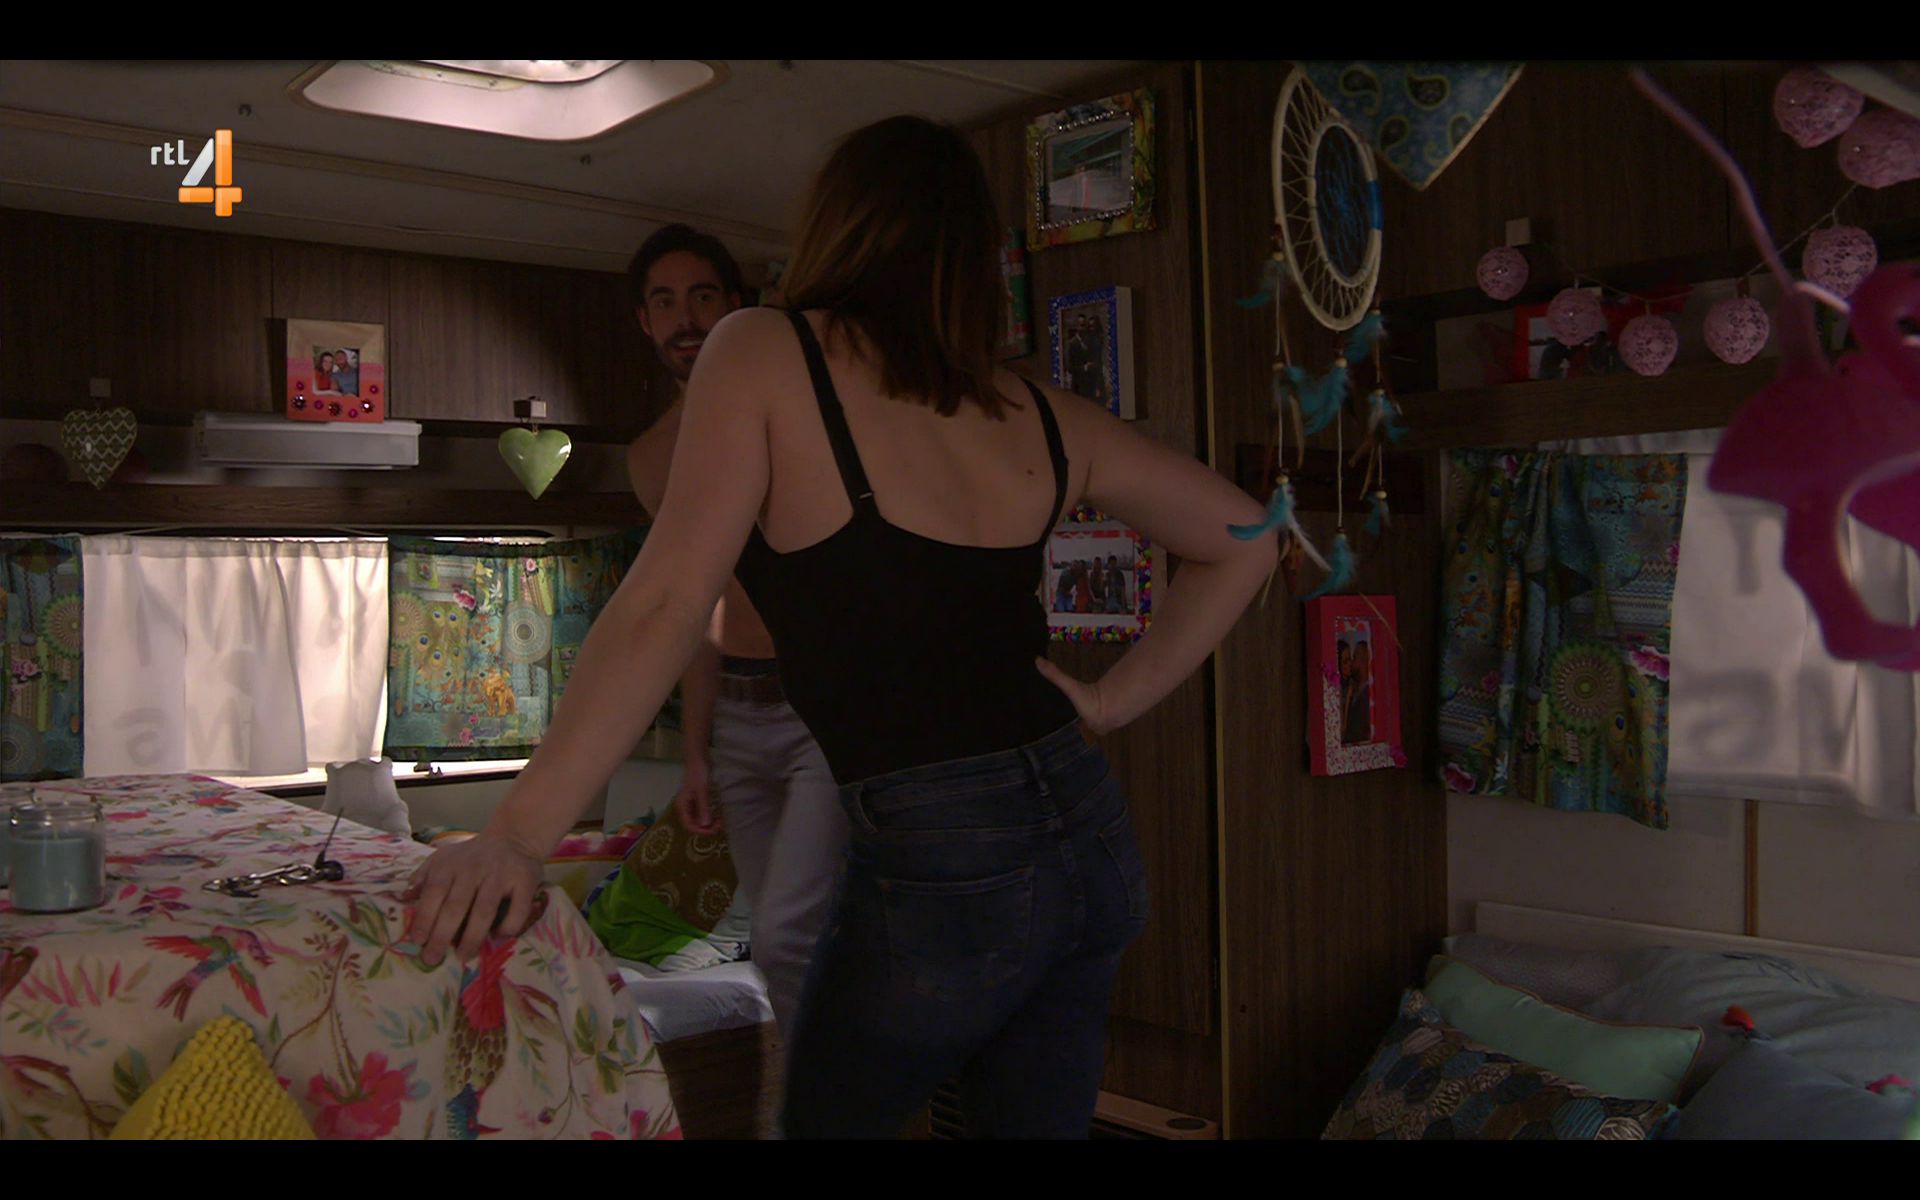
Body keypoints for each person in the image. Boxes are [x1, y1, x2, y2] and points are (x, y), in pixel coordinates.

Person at [404, 115, 1276, 1140]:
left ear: (835, 225)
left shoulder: (762, 349)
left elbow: (665, 602)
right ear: (970, 256)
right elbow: (1249, 539)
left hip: (942, 856)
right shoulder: (1040, 413)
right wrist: (1113, 700)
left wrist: (516, 835)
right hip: (1092, 841)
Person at [618, 224, 850, 1056]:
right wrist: (695, 752)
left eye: (703, 296)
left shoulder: (797, 413)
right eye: (665, 301)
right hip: (740, 721)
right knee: (776, 947)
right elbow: (693, 609)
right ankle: (816, 1097)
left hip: (825, 702)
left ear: (735, 307)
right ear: (645, 321)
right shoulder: (652, 458)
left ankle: (822, 1105)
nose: (685, 318)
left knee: (792, 933)